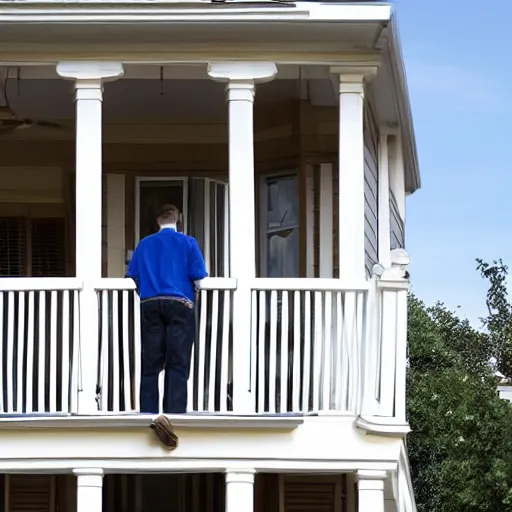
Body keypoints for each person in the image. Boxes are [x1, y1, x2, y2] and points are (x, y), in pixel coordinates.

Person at [127, 204, 207, 423]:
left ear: (158, 221)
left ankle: (149, 415)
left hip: (151, 303)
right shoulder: (188, 242)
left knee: (151, 362)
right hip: (180, 303)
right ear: (177, 219)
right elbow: (199, 277)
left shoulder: (144, 244)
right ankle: (174, 414)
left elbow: (132, 276)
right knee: (178, 361)